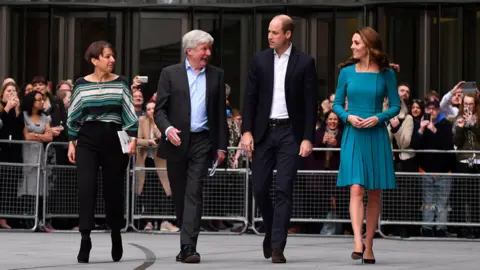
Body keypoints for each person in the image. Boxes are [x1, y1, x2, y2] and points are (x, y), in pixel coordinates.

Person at [241, 14, 317, 263]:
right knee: (259, 188)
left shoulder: (305, 62)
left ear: (287, 34)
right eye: (269, 32)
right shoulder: (260, 60)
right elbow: (249, 98)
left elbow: (310, 103)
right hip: (263, 133)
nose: (270, 36)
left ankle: (277, 246)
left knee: (284, 189)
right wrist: (247, 131)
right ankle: (272, 228)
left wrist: (307, 138)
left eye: (275, 32)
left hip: (290, 134)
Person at [154, 29, 228, 264]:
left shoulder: (217, 75)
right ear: (190, 50)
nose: (208, 53)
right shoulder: (169, 74)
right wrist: (167, 129)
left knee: (194, 193)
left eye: (209, 49)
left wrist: (221, 146)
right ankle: (184, 243)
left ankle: (189, 247)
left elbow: (219, 115)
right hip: (176, 142)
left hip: (202, 142)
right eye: (204, 49)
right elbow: (159, 110)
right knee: (180, 196)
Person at [332, 26, 400, 264]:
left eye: (356, 42)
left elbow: (395, 106)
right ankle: (357, 242)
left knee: (374, 192)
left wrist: (379, 117)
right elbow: (337, 104)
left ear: (369, 46)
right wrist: (348, 117)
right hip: (353, 132)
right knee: (356, 188)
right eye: (352, 42)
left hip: (376, 133)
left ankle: (369, 245)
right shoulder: (346, 73)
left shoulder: (387, 74)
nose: (352, 46)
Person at [67, 40, 137, 263]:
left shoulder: (121, 82)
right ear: (94, 60)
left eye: (112, 56)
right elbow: (74, 113)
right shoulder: (81, 84)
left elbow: (128, 111)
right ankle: (85, 239)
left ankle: (115, 234)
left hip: (114, 138)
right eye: (107, 56)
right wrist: (71, 141)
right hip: (87, 139)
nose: (112, 60)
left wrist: (132, 138)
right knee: (86, 188)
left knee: (113, 191)